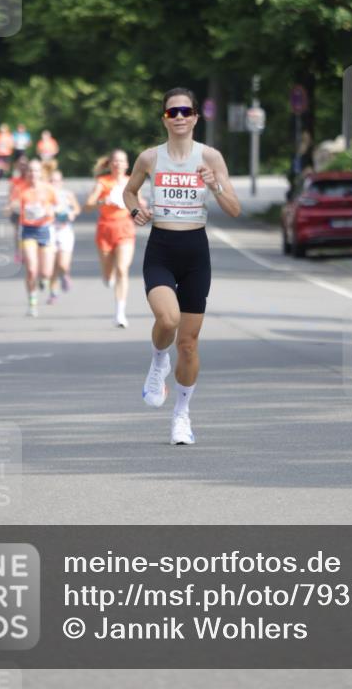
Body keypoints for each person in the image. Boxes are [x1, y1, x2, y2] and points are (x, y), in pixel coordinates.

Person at [123, 87, 241, 445]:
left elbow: (234, 209)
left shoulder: (210, 157)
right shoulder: (150, 158)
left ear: (195, 117)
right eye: (171, 112)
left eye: (185, 112)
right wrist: (136, 210)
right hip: (161, 249)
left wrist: (214, 184)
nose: (178, 117)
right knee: (168, 320)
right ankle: (159, 360)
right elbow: (128, 191)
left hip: (195, 253)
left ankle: (181, 415)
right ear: (164, 118)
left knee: (188, 344)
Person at [84, 149, 142, 328]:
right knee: (108, 273)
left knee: (122, 269)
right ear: (109, 164)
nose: (118, 164)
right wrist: (104, 201)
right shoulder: (102, 182)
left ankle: (120, 314)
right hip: (105, 229)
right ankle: (107, 277)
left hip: (125, 228)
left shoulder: (132, 182)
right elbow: (88, 206)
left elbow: (140, 203)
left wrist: (139, 207)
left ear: (127, 164)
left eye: (121, 161)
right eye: (115, 161)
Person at [17, 159, 57, 317]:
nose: (33, 174)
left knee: (46, 272)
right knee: (31, 269)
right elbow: (10, 207)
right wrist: (15, 209)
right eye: (30, 171)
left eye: (36, 171)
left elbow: (58, 206)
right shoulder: (20, 189)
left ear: (41, 173)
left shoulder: (48, 189)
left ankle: (44, 280)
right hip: (28, 231)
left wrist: (50, 212)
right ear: (26, 173)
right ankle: (32, 301)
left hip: (44, 229)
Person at [48, 169, 81, 303]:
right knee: (52, 265)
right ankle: (53, 293)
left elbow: (77, 208)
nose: (54, 183)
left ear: (61, 182)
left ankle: (65, 275)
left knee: (62, 264)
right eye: (51, 181)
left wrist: (72, 213)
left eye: (57, 181)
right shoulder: (45, 195)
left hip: (64, 231)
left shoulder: (67, 194)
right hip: (49, 230)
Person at [7, 154, 30, 263]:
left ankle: (27, 252)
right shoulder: (14, 180)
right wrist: (9, 205)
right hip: (17, 209)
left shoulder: (31, 178)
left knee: (28, 232)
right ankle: (18, 252)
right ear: (17, 165)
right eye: (21, 164)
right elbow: (10, 194)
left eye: (25, 164)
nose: (23, 166)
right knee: (18, 232)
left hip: (29, 209)